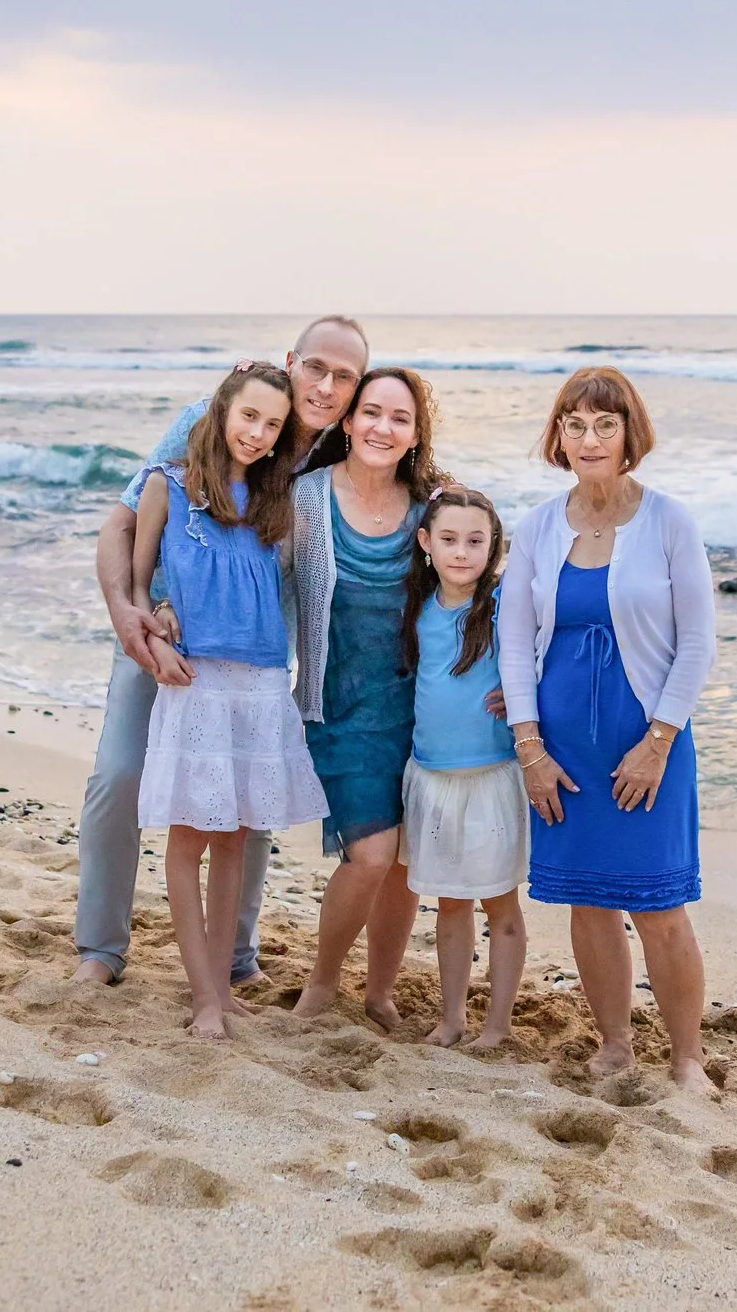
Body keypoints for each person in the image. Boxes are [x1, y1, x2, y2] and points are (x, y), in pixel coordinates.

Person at [73, 316, 368, 989]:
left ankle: (234, 958)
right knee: (119, 775)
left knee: (248, 798)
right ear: (289, 361)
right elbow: (123, 522)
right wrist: (132, 616)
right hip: (165, 635)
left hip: (253, 656)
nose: (325, 385)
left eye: (344, 376)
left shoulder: (338, 460)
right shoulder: (208, 417)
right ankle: (99, 948)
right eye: (315, 366)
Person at [498, 366, 718, 1092]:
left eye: (604, 424)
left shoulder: (669, 521)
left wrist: (657, 744)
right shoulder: (534, 527)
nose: (588, 438)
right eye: (574, 424)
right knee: (588, 901)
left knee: (658, 903)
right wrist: (529, 749)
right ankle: (615, 1043)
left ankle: (687, 1055)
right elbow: (513, 643)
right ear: (558, 435)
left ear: (630, 435)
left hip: (645, 738)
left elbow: (697, 643)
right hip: (562, 748)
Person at [127, 362, 330, 1038]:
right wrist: (155, 611)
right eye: (249, 416)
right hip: (197, 681)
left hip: (260, 681)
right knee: (190, 837)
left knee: (238, 835)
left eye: (273, 425)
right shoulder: (169, 486)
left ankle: (221, 983)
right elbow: (137, 583)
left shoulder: (276, 504)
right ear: (221, 411)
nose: (258, 433)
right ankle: (203, 997)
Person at [288, 366, 446, 1027]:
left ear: (414, 435)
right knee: (371, 855)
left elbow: (481, 587)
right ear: (348, 421)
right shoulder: (304, 499)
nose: (384, 427)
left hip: (422, 711)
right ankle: (324, 982)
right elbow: (247, 565)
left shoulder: (433, 506)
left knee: (405, 861)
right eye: (372, 412)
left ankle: (380, 989)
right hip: (339, 710)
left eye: (400, 418)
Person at [397, 486, 529, 1051]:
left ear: (493, 546)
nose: (462, 552)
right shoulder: (418, 610)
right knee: (450, 903)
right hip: (431, 776)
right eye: (448, 539)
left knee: (500, 902)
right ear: (426, 543)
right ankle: (451, 1018)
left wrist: (522, 690)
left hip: (492, 776)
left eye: (476, 541)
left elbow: (542, 657)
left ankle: (496, 1026)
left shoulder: (503, 607)